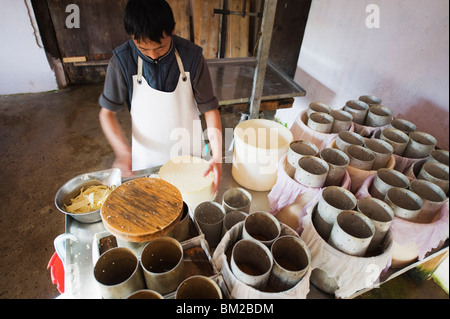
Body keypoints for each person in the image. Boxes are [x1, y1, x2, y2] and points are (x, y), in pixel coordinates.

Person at [99, 0, 222, 192]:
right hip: (147, 159)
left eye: (160, 47)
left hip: (189, 156)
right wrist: (123, 152)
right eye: (143, 49)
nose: (153, 55)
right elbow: (106, 114)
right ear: (132, 37)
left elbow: (210, 109)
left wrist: (217, 156)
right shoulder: (121, 61)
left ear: (172, 30)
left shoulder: (192, 57)